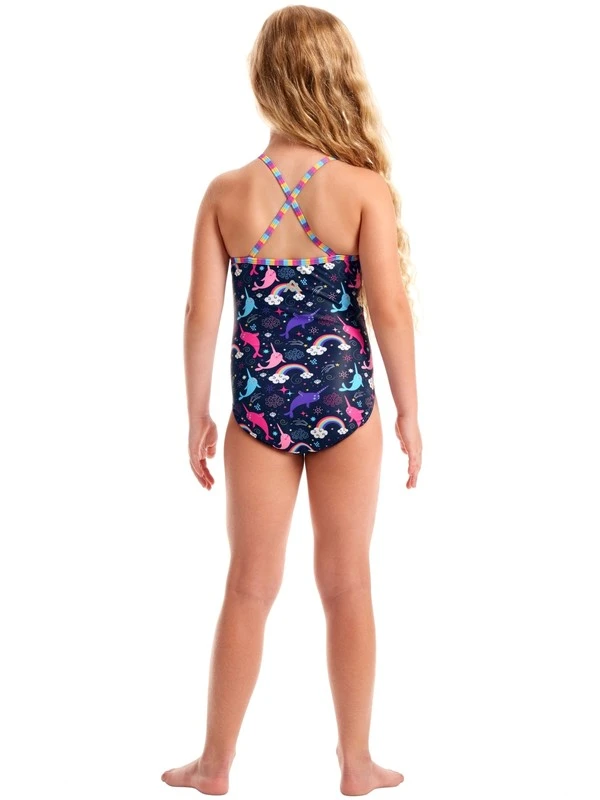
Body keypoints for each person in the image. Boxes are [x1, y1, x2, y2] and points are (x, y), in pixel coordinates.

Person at [161, 5, 422, 795]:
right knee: (348, 584)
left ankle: (214, 764)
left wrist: (197, 413)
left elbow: (201, 313)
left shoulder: (226, 193)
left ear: (265, 81)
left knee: (248, 585)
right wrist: (409, 411)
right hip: (348, 408)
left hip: (257, 414)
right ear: (336, 79)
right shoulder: (362, 189)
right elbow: (391, 310)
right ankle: (357, 763)